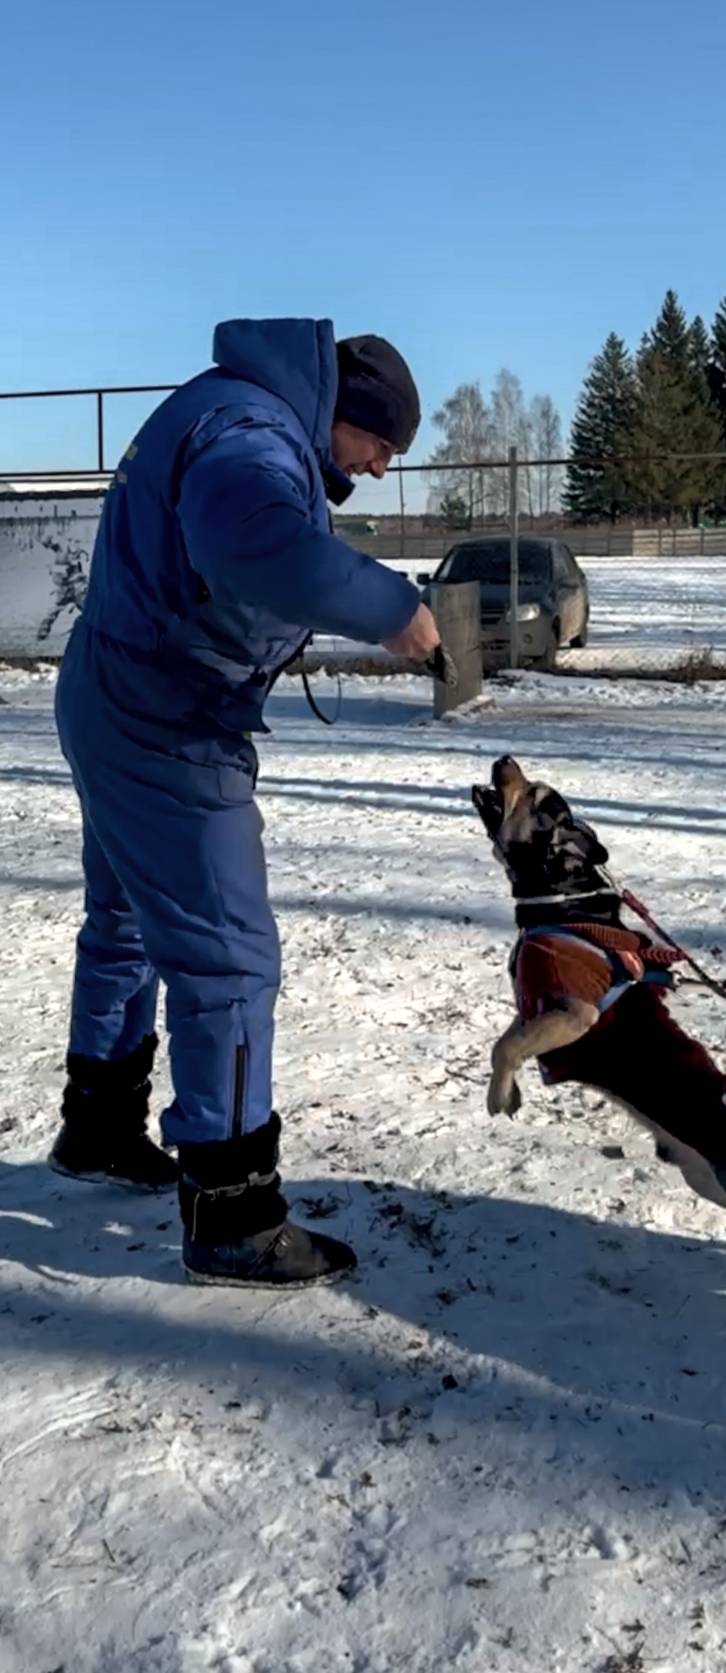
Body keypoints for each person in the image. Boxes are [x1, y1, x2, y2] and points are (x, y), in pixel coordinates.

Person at [50, 317, 440, 1289]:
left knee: (126, 920)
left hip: (114, 690)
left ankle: (98, 1124)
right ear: (344, 411)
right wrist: (394, 609)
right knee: (227, 955)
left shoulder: (231, 409)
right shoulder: (252, 437)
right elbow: (259, 547)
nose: (380, 468)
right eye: (381, 444)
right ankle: (231, 1210)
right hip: (166, 717)